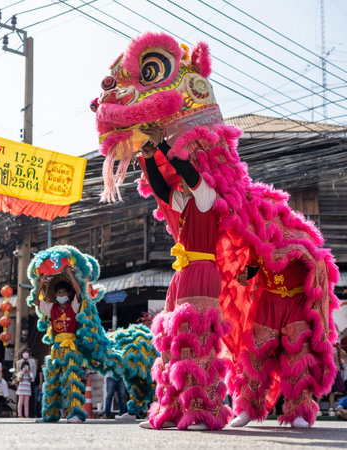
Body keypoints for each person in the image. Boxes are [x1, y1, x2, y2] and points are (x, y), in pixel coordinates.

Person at [138, 124, 232, 430]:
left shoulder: (207, 195)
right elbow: (162, 192)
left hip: (203, 272)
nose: (183, 175)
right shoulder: (190, 201)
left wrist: (163, 145)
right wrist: (150, 156)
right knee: (177, 342)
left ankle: (202, 410)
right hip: (183, 274)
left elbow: (188, 172)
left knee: (199, 341)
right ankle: (176, 408)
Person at [229, 248, 334, 428]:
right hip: (269, 301)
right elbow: (253, 265)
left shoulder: (301, 236)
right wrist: (244, 274)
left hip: (297, 302)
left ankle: (298, 411)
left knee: (299, 356)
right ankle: (248, 408)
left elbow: (318, 263)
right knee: (257, 354)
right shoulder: (259, 236)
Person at [35, 264, 86, 423]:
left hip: (71, 348)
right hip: (56, 349)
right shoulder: (52, 308)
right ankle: (50, 414)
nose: (61, 294)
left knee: (72, 378)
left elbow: (79, 293)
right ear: (55, 295)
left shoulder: (73, 306)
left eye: (64, 292)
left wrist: (70, 275)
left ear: (68, 294)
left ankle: (76, 413)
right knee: (52, 381)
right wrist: (41, 285)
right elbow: (38, 301)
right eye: (59, 292)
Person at [16, 347, 37, 417]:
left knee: (29, 400)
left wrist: (31, 377)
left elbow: (34, 370)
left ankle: (29, 414)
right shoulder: (18, 362)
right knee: (20, 400)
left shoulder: (32, 361)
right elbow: (18, 371)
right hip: (22, 383)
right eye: (24, 352)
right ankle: (19, 414)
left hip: (30, 381)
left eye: (27, 353)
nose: (25, 354)